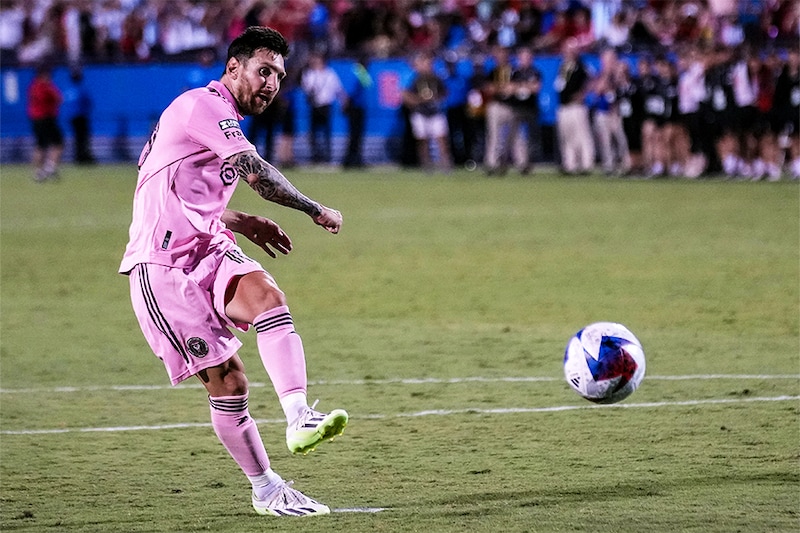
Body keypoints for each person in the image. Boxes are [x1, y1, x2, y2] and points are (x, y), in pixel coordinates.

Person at [118, 27, 348, 518]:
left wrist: (238, 221)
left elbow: (177, 190)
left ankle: (298, 416)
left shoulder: (216, 117)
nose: (271, 83)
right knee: (229, 383)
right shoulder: (203, 106)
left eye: (279, 76)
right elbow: (258, 175)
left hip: (208, 247)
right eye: (263, 70)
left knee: (267, 296)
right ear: (233, 68)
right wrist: (314, 209)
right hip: (163, 267)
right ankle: (266, 488)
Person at [402, 52, 452, 171]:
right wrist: (420, 100)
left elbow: (444, 93)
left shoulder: (436, 78)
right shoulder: (414, 78)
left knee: (441, 139)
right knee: (422, 140)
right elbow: (406, 96)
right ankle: (426, 165)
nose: (428, 65)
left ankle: (446, 165)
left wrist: (436, 98)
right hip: (420, 112)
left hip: (435, 112)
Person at [554, 38, 594, 174]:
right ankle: (570, 164)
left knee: (582, 136)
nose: (569, 52)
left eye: (571, 50)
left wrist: (583, 94)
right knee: (567, 137)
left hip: (576, 106)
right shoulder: (563, 66)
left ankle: (586, 164)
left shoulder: (581, 66)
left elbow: (591, 80)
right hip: (564, 106)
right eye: (567, 49)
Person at [301, 51, 345, 164]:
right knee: (313, 133)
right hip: (314, 105)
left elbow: (337, 88)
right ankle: (315, 155)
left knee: (326, 132)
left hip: (326, 105)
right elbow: (306, 88)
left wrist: (343, 101)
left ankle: (327, 156)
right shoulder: (310, 73)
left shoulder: (330, 73)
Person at [27, 64, 64, 181]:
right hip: (47, 118)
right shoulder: (45, 86)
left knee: (39, 145)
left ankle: (38, 172)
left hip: (35, 118)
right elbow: (58, 98)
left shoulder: (32, 86)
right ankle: (50, 168)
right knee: (58, 142)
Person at [63, 68, 96, 165]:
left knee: (77, 138)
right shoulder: (81, 90)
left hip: (72, 118)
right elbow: (88, 104)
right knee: (83, 138)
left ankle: (78, 157)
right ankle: (84, 157)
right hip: (81, 117)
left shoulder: (68, 91)